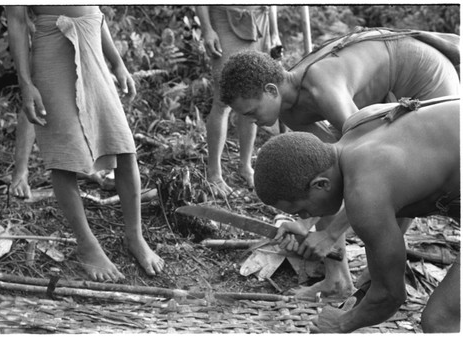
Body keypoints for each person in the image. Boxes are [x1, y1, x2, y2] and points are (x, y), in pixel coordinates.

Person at [220, 27, 459, 299]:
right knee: (322, 175)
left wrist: (331, 234)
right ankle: (337, 280)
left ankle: (383, 279)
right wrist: (304, 224)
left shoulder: (323, 88)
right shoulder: (291, 112)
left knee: (395, 183)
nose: (252, 121)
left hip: (426, 79)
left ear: (271, 90)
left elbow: (373, 165)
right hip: (388, 92)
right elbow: (325, 175)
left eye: (251, 112)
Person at [254, 98, 460, 333]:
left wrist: (340, 323)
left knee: (441, 320)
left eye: (302, 211)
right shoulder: (358, 125)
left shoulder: (365, 194)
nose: (305, 216)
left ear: (320, 184)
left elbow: (390, 296)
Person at [6, 5, 164, 281]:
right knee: (64, 156)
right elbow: (17, 22)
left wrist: (117, 62)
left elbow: (95, 9)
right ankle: (87, 245)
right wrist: (26, 83)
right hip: (52, 48)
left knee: (123, 145)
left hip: (92, 44)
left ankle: (135, 237)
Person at [195, 5, 281, 197]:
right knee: (223, 100)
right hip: (225, 18)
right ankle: (214, 173)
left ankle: (245, 166)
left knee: (253, 95)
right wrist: (207, 29)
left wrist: (274, 32)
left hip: (260, 20)